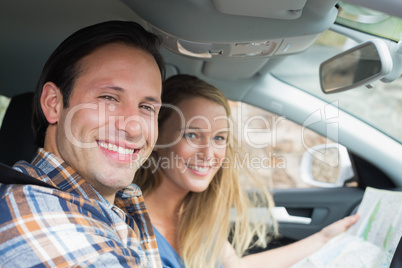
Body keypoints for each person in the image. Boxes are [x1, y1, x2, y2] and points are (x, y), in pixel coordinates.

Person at [134, 74, 360, 268]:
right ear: (156, 137)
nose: (209, 153)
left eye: (219, 138)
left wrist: (323, 239)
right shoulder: (128, 227)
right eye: (192, 135)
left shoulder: (194, 215)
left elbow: (236, 266)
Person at [0, 21, 165, 267]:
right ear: (54, 103)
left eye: (146, 107)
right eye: (109, 98)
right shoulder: (34, 214)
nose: (133, 127)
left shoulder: (106, 208)